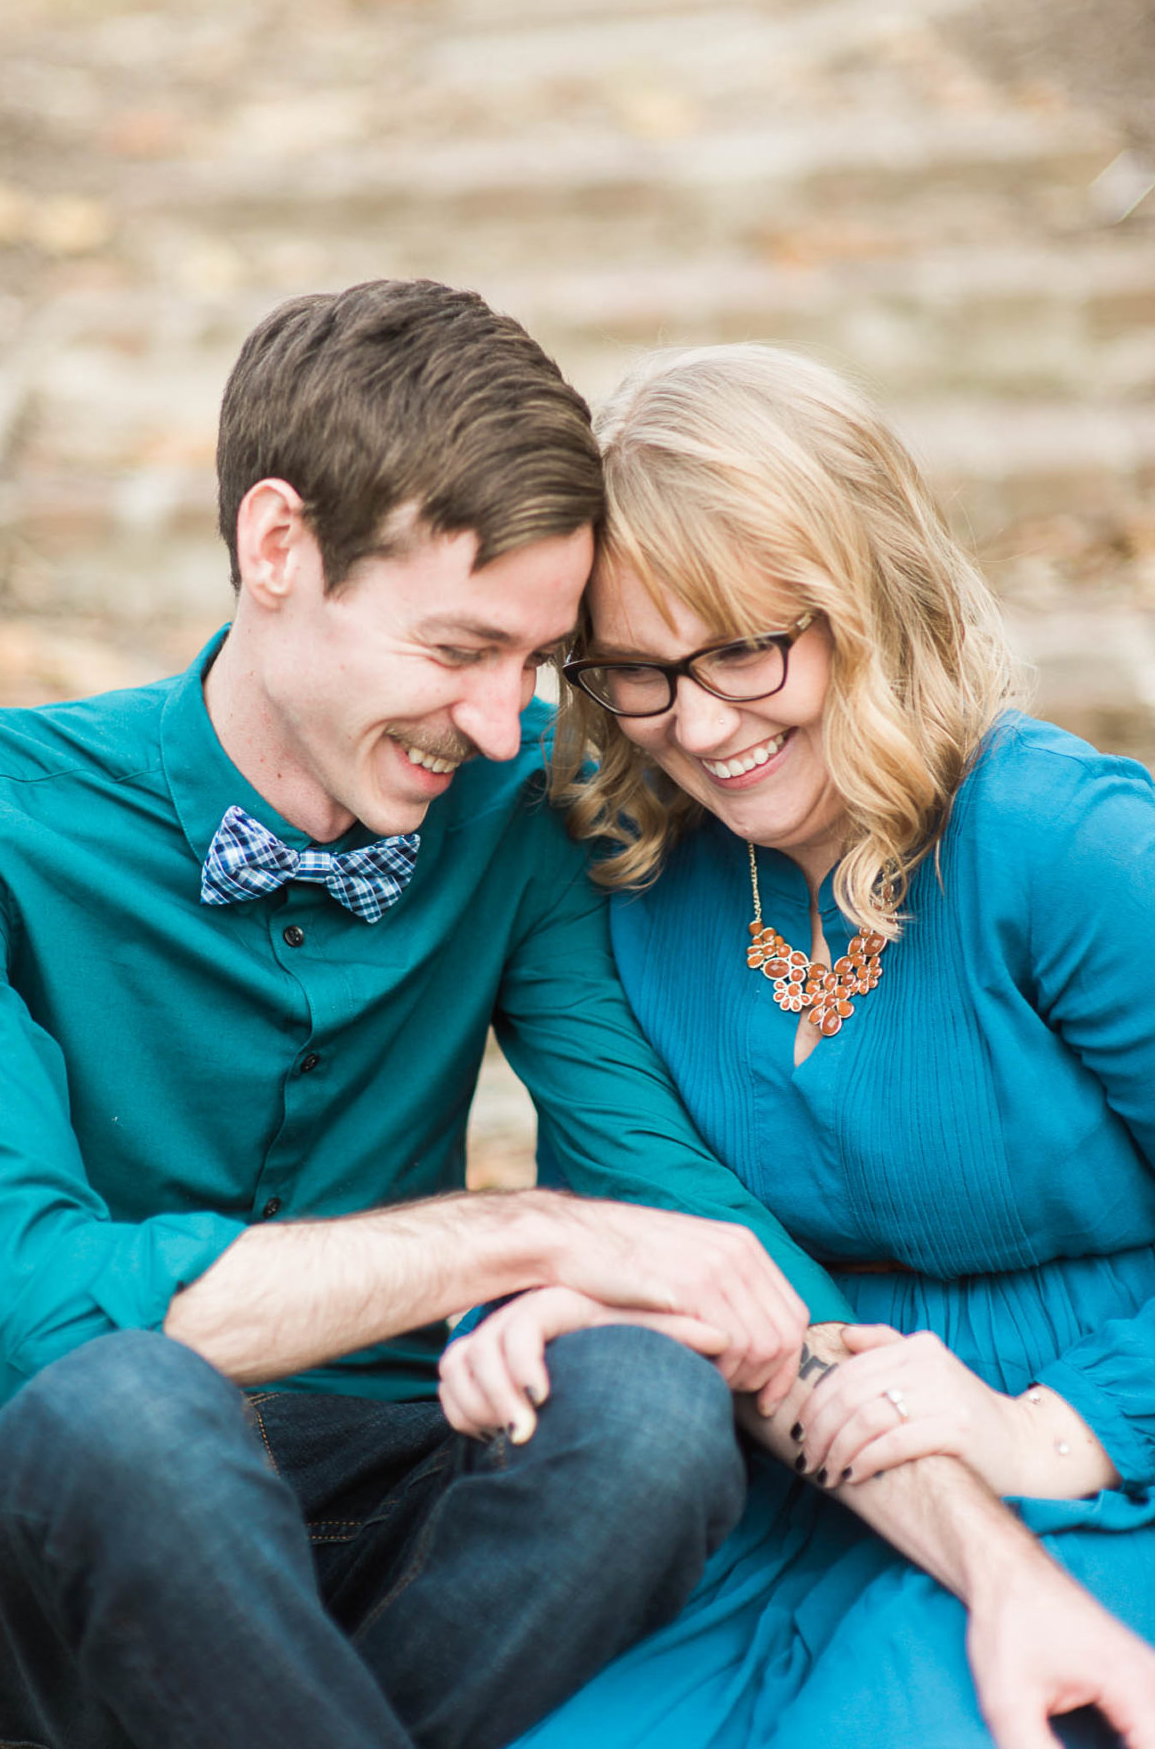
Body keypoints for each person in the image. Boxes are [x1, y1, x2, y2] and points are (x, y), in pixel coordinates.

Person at [0, 278, 858, 1749]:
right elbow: (33, 1304)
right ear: (276, 546)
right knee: (134, 1402)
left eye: (535, 664)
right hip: (64, 1533)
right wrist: (521, 1231)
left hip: (408, 1504)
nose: (495, 720)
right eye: (459, 650)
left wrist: (921, 1448)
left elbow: (677, 1202)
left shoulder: (515, 808)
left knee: (653, 1414)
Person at [431, 343, 1155, 1748]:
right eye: (637, 673)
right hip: (787, 1458)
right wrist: (612, 1288)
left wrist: (1051, 1434)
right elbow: (668, 1239)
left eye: (747, 651)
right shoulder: (636, 881)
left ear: (868, 598)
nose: (699, 726)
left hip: (1105, 1445)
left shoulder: (1065, 849)